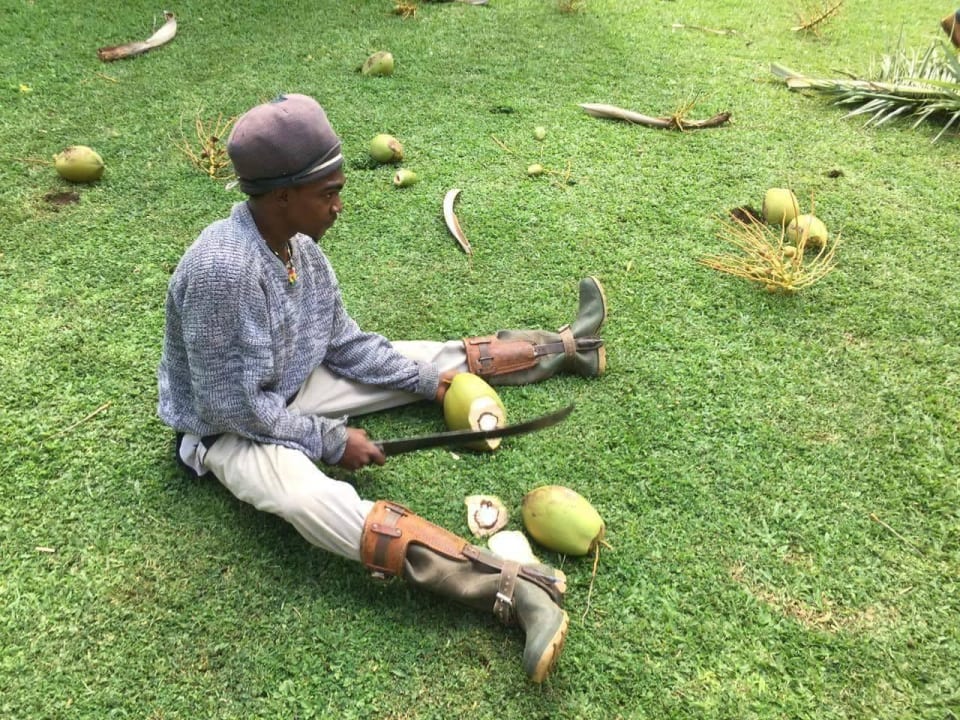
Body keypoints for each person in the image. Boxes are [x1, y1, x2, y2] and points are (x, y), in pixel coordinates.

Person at [156, 93, 607, 683]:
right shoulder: (223, 272)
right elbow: (231, 407)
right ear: (282, 195)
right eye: (328, 193)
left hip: (290, 386)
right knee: (309, 499)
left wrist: (430, 383)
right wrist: (329, 441)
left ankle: (568, 349)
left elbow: (346, 343)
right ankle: (513, 588)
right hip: (228, 431)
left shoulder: (299, 248)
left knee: (417, 356)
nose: (339, 207)